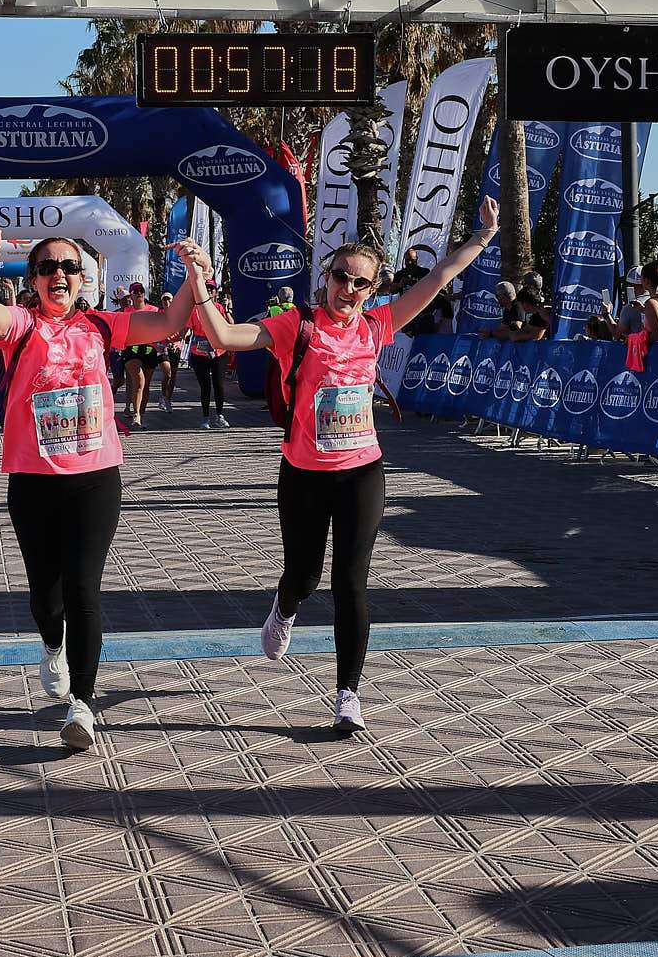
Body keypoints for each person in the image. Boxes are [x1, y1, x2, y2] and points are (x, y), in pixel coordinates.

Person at [197, 195, 500, 734]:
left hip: (362, 470)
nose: (349, 289)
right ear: (327, 277)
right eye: (342, 277)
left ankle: (347, 695)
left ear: (373, 290)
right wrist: (199, 280)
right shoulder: (296, 325)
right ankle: (284, 607)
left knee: (351, 583)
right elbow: (223, 337)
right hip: (304, 473)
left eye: (362, 283)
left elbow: (437, 278)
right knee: (305, 575)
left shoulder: (378, 326)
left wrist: (481, 237)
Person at [0, 206, 204, 752]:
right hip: (33, 479)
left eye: (69, 266)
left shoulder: (102, 325)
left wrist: (194, 276)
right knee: (47, 597)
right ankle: (52, 646)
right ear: (34, 280)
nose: (59, 274)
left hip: (95, 478)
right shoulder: (22, 326)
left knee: (83, 589)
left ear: (82, 278)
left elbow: (169, 323)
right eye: (47, 267)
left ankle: (83, 705)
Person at [119, 282, 160, 428]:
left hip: (149, 348)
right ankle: (136, 415)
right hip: (132, 348)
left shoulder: (154, 310)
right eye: (135, 291)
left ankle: (141, 414)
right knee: (139, 381)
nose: (139, 293)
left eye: (141, 290)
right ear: (131, 295)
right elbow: (121, 329)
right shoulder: (126, 311)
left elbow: (161, 327)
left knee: (146, 384)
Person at [187, 294, 230, 428]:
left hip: (218, 352)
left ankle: (219, 415)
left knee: (219, 385)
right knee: (205, 386)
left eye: (212, 289)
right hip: (199, 352)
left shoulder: (219, 307)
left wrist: (227, 310)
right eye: (207, 289)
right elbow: (188, 328)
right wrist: (183, 335)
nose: (209, 291)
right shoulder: (195, 310)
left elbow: (230, 325)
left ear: (215, 293)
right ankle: (205, 418)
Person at [155, 292, 183, 410]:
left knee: (173, 375)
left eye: (169, 299)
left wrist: (182, 337)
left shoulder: (179, 314)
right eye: (164, 300)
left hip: (175, 347)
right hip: (163, 347)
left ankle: (168, 399)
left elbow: (185, 329)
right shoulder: (159, 314)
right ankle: (162, 396)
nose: (166, 302)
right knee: (167, 372)